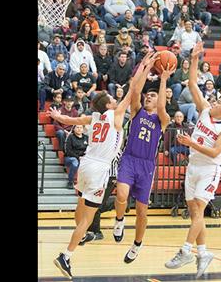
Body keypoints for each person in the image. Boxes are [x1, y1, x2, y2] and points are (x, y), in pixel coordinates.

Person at [49, 56, 156, 279]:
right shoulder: (116, 115)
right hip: (99, 169)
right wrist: (144, 66)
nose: (114, 99)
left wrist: (57, 116)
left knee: (82, 207)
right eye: (110, 98)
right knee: (88, 219)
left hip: (85, 165)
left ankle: (84, 235)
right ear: (108, 104)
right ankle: (66, 256)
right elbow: (134, 88)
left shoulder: (94, 116)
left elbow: (72, 122)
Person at [164, 42, 221, 278]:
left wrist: (192, 144)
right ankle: (204, 252)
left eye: (219, 102)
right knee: (195, 212)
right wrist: (194, 57)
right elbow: (191, 83)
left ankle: (186, 251)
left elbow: (214, 152)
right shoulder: (206, 110)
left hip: (209, 169)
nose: (214, 102)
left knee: (198, 210)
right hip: (193, 167)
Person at [113, 52, 175, 264]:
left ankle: (137, 244)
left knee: (141, 211)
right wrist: (146, 67)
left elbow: (162, 106)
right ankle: (119, 220)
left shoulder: (162, 119)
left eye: (152, 95)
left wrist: (164, 78)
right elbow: (136, 91)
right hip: (130, 159)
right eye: (148, 96)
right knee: (121, 195)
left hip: (147, 166)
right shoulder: (137, 111)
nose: (148, 97)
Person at [64, 125, 89, 189]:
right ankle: (70, 181)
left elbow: (90, 149)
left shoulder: (86, 137)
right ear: (74, 129)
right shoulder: (70, 137)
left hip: (83, 157)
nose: (79, 129)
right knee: (75, 161)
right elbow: (68, 151)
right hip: (70, 157)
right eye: (77, 127)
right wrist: (78, 157)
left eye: (81, 127)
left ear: (83, 129)